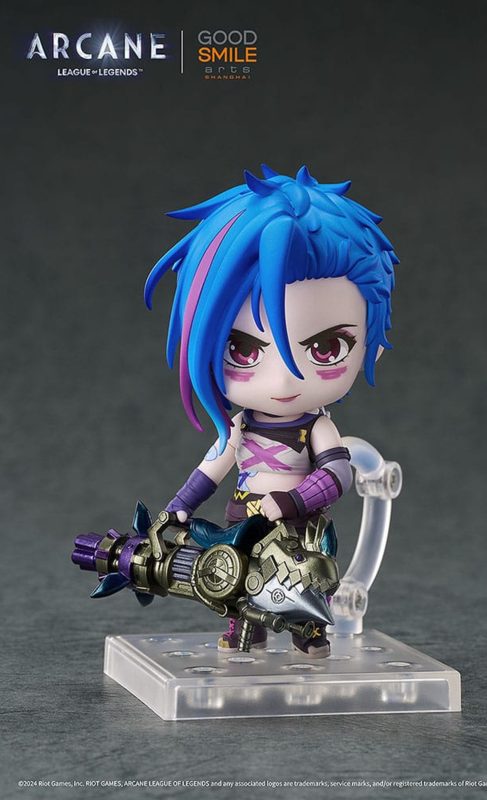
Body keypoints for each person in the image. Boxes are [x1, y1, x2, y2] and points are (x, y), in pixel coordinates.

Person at [144, 165, 398, 657]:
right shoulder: (239, 425)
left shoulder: (316, 427)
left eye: (325, 348)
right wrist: (178, 507)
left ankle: (310, 633)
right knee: (237, 579)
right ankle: (247, 630)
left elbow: (339, 473)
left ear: (372, 345)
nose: (282, 381)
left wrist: (292, 501)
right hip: (244, 515)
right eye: (242, 350)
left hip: (299, 526)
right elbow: (212, 467)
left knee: (308, 582)